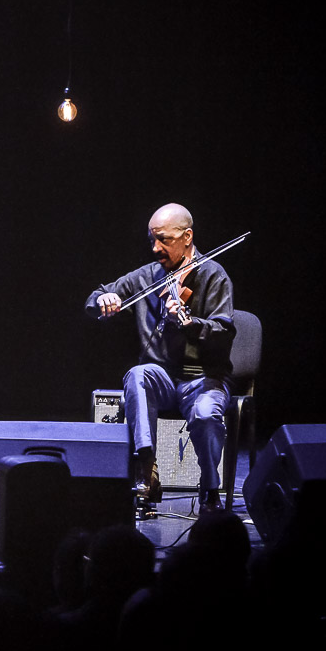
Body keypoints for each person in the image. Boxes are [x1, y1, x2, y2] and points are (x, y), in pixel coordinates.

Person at [87, 203, 236, 512]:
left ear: (187, 237)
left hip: (204, 378)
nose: (156, 248)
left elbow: (224, 332)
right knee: (138, 375)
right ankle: (146, 469)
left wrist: (190, 323)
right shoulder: (148, 277)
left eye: (164, 240)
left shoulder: (214, 276)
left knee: (207, 415)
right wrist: (104, 299)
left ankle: (210, 489)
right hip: (164, 378)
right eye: (152, 239)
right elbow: (94, 297)